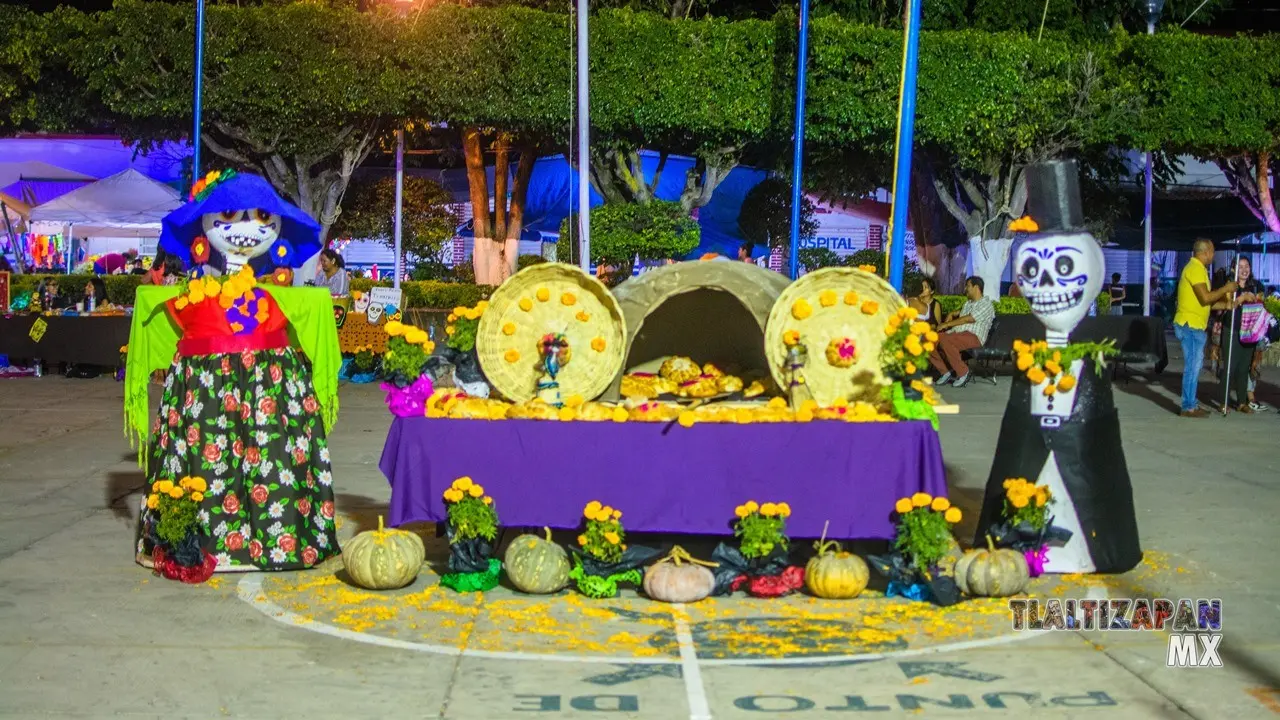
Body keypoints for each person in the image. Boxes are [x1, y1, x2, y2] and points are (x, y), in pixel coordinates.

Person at [1173, 239, 1237, 418]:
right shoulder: (1194, 269)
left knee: (1195, 365)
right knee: (1193, 367)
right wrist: (1226, 287)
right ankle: (1188, 406)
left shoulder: (1199, 269)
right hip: (1190, 326)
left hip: (1194, 325)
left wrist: (1226, 304)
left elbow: (1206, 303)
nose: (1213, 255)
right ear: (1207, 251)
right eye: (1213, 251)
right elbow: (1206, 298)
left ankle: (1191, 404)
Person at [928, 276, 996, 388]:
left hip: (974, 337)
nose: (965, 289)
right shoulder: (968, 303)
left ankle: (963, 371)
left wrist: (946, 324)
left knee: (946, 340)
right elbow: (961, 313)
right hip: (958, 334)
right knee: (928, 340)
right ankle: (945, 371)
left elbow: (969, 318)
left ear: (976, 287)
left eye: (967, 286)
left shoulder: (986, 304)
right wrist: (952, 313)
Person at [1217, 255, 1264, 413]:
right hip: (1232, 329)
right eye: (1240, 267)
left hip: (1249, 333)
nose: (1244, 270)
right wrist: (1242, 298)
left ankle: (1242, 402)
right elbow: (1226, 306)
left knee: (1244, 368)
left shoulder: (1256, 286)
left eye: (1246, 266)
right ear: (1234, 269)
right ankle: (1224, 401)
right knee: (1230, 367)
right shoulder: (1230, 287)